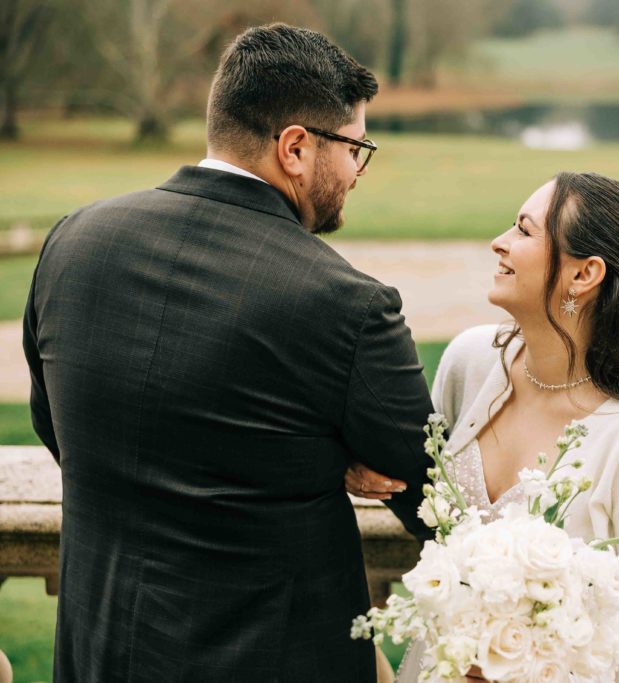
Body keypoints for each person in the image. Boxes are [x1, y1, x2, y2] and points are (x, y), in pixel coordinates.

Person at [22, 24, 429, 683]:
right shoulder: (349, 305)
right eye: (357, 147)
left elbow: (60, 429)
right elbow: (431, 496)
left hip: (99, 653)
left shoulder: (74, 241)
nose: (357, 169)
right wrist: (331, 456)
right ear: (295, 146)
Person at [347, 172, 619, 682]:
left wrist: (530, 662)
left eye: (524, 231)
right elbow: (429, 494)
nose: (498, 242)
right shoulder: (471, 362)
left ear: (583, 274)